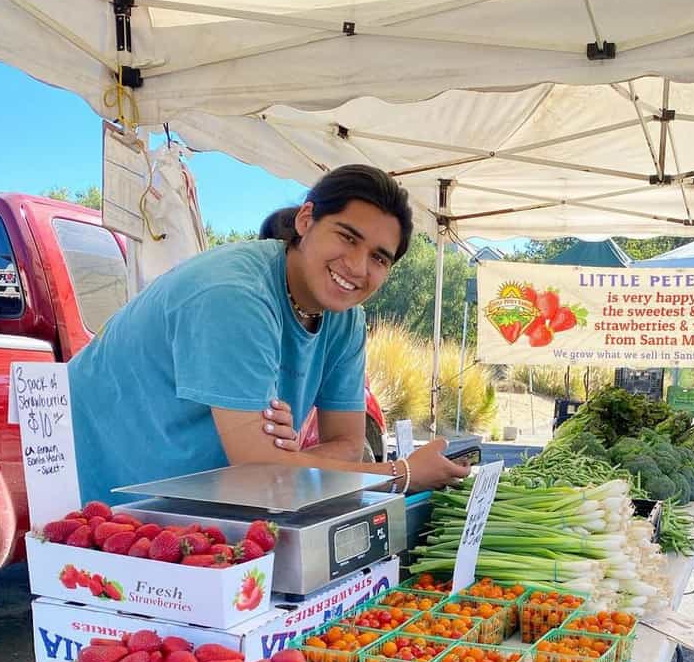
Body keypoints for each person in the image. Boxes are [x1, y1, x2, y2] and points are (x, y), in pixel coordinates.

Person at [68, 164, 469, 504]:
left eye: (379, 258)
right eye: (347, 237)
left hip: (205, 498)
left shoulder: (346, 321)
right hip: (115, 491)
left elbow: (347, 443)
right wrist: (401, 474)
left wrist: (288, 461)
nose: (357, 267)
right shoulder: (235, 295)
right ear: (306, 220)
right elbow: (259, 468)